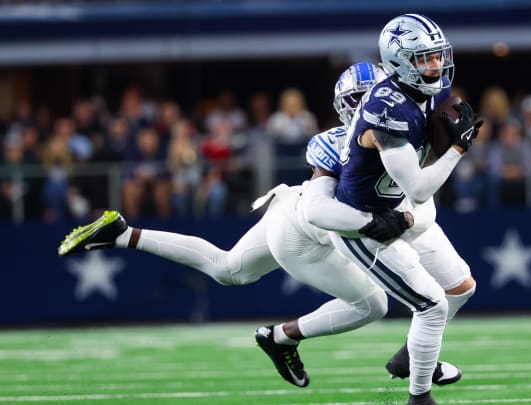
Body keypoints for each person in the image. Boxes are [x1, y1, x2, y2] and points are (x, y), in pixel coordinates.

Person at [57, 62, 460, 390]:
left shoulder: (391, 134)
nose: (371, 107)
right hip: (308, 229)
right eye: (361, 100)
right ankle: (285, 337)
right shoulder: (341, 142)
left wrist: (403, 217)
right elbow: (330, 213)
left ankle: (124, 234)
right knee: (377, 302)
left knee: (226, 268)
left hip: (300, 215)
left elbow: (415, 203)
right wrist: (388, 220)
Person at [311, 14, 481, 405]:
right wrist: (457, 150)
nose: (435, 65)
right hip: (366, 227)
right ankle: (419, 398)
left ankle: (411, 353)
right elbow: (420, 190)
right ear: (399, 60)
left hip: (395, 208)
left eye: (437, 56)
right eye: (424, 58)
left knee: (460, 288)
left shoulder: (421, 91)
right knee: (432, 305)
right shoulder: (387, 110)